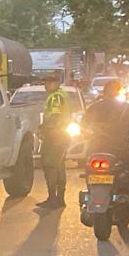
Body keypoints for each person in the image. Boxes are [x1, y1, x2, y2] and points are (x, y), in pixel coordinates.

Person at [83, 79, 129, 201]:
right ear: (119, 92)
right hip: (120, 150)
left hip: (95, 149)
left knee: (88, 169)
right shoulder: (126, 108)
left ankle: (91, 191)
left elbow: (83, 127)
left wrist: (87, 134)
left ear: (104, 92)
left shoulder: (94, 107)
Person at [36, 73, 71, 209]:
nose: (45, 85)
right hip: (61, 136)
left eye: (48, 83)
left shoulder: (56, 96)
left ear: (56, 83)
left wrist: (45, 128)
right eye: (45, 83)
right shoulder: (62, 95)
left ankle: (53, 198)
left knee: (50, 166)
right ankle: (60, 198)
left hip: (54, 136)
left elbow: (55, 116)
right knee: (59, 166)